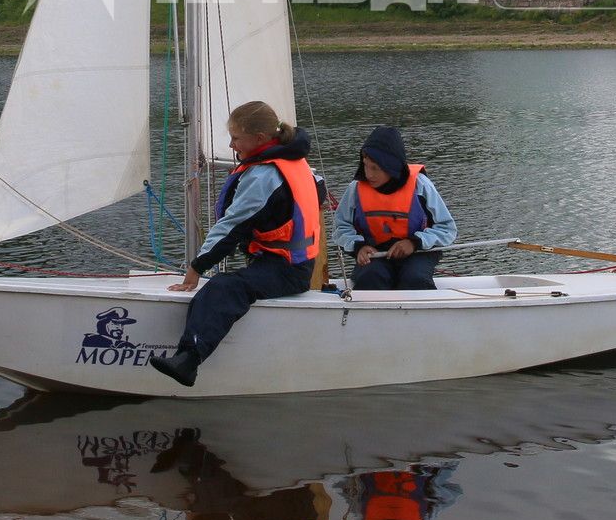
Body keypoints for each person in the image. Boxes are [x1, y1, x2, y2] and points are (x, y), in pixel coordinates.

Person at [150, 100, 321, 388]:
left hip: (288, 269)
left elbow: (233, 227)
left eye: (236, 138)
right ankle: (189, 353)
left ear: (260, 139)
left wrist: (196, 267)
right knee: (229, 283)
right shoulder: (293, 158)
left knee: (224, 287)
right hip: (289, 261)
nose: (231, 145)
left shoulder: (265, 175)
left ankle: (188, 360)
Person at [332, 126, 456, 291]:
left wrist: (414, 242)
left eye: (375, 168)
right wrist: (358, 247)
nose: (368, 174)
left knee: (415, 279)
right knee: (371, 277)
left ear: (391, 166)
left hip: (418, 251)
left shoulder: (421, 186)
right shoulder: (355, 189)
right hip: (374, 253)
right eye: (365, 166)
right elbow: (341, 227)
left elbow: (447, 229)